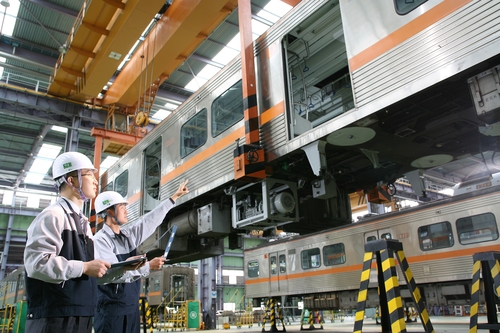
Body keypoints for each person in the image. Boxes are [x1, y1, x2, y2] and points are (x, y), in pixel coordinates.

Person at [23, 151, 111, 333]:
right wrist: (85, 267)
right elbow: (37, 264)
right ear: (71, 181)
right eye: (89, 175)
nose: (96, 181)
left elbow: (87, 269)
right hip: (55, 317)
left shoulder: (83, 223)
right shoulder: (52, 215)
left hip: (81, 313)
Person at [93, 179, 189, 333]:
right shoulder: (100, 240)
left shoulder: (128, 235)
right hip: (111, 312)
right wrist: (148, 266)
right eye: (121, 206)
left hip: (131, 308)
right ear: (109, 211)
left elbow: (149, 220)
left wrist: (174, 198)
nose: (126, 210)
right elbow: (112, 274)